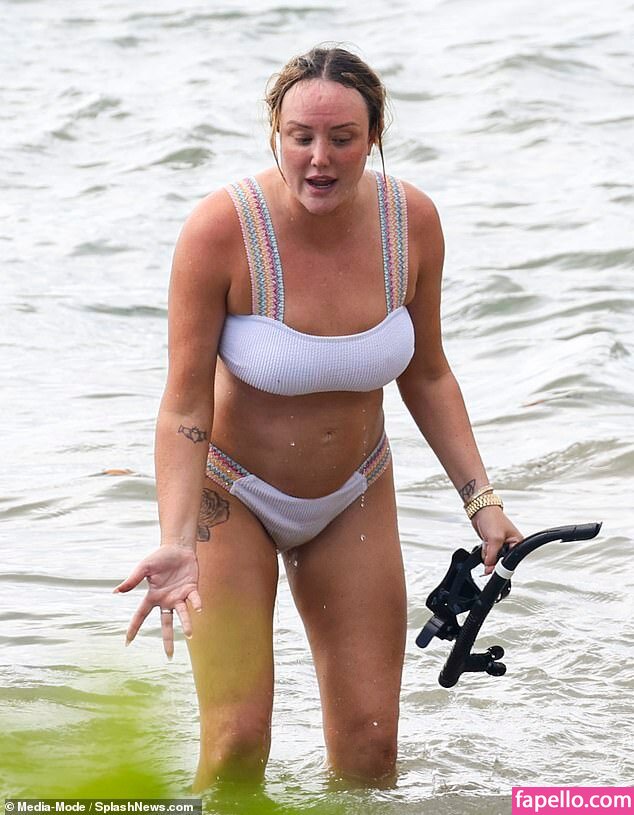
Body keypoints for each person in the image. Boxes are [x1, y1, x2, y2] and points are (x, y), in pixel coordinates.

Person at [114, 45, 522, 791]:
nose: (319, 158)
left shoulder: (412, 222)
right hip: (233, 494)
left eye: (342, 138)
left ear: (375, 135)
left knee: (371, 757)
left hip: (354, 491)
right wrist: (175, 538)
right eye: (300, 137)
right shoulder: (220, 230)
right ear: (276, 132)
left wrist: (482, 499)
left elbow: (428, 372)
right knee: (237, 747)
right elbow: (183, 403)